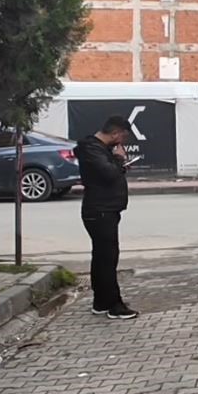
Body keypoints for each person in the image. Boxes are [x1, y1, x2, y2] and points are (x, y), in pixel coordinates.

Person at [77, 116, 138, 319]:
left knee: (102, 257)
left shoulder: (99, 150)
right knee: (107, 259)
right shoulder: (91, 149)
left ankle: (101, 302)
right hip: (100, 210)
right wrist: (119, 159)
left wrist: (118, 162)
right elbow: (108, 174)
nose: (122, 143)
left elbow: (109, 172)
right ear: (115, 133)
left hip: (106, 209)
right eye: (122, 137)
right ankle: (114, 305)